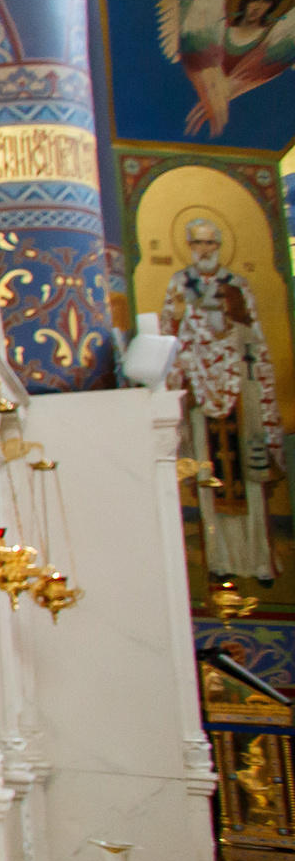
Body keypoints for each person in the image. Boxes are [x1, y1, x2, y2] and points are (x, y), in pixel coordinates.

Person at [165, 217, 282, 585]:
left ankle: (259, 561)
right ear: (189, 246)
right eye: (198, 243)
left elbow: (254, 338)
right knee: (207, 474)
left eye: (210, 243)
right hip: (201, 395)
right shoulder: (179, 284)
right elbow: (170, 336)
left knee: (251, 476)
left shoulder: (237, 285)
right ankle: (220, 560)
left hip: (241, 395)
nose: (204, 250)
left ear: (219, 245)